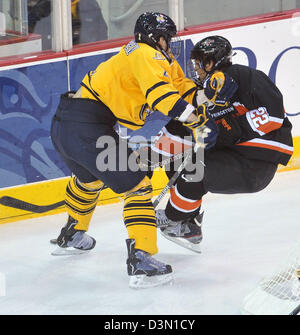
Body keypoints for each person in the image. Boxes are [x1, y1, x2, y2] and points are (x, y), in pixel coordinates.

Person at [50, 12, 218, 288]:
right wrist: (197, 121)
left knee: (88, 180)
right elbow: (162, 98)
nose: (170, 43)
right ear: (156, 37)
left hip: (65, 123)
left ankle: (72, 235)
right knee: (138, 186)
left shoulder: (147, 56)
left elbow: (180, 87)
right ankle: (141, 260)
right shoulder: (145, 54)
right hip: (88, 128)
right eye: (167, 38)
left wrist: (206, 98)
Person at [156, 35, 294, 253]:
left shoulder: (248, 77)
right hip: (233, 155)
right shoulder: (205, 94)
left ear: (211, 62)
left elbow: (274, 117)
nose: (196, 69)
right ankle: (189, 224)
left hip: (256, 165)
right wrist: (148, 160)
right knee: (178, 161)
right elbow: (185, 127)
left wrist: (232, 130)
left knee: (195, 172)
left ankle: (173, 218)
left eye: (199, 63)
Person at [28, 0, 107, 49]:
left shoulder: (90, 3)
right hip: (54, 57)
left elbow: (102, 31)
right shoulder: (44, 6)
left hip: (85, 54)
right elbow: (30, 31)